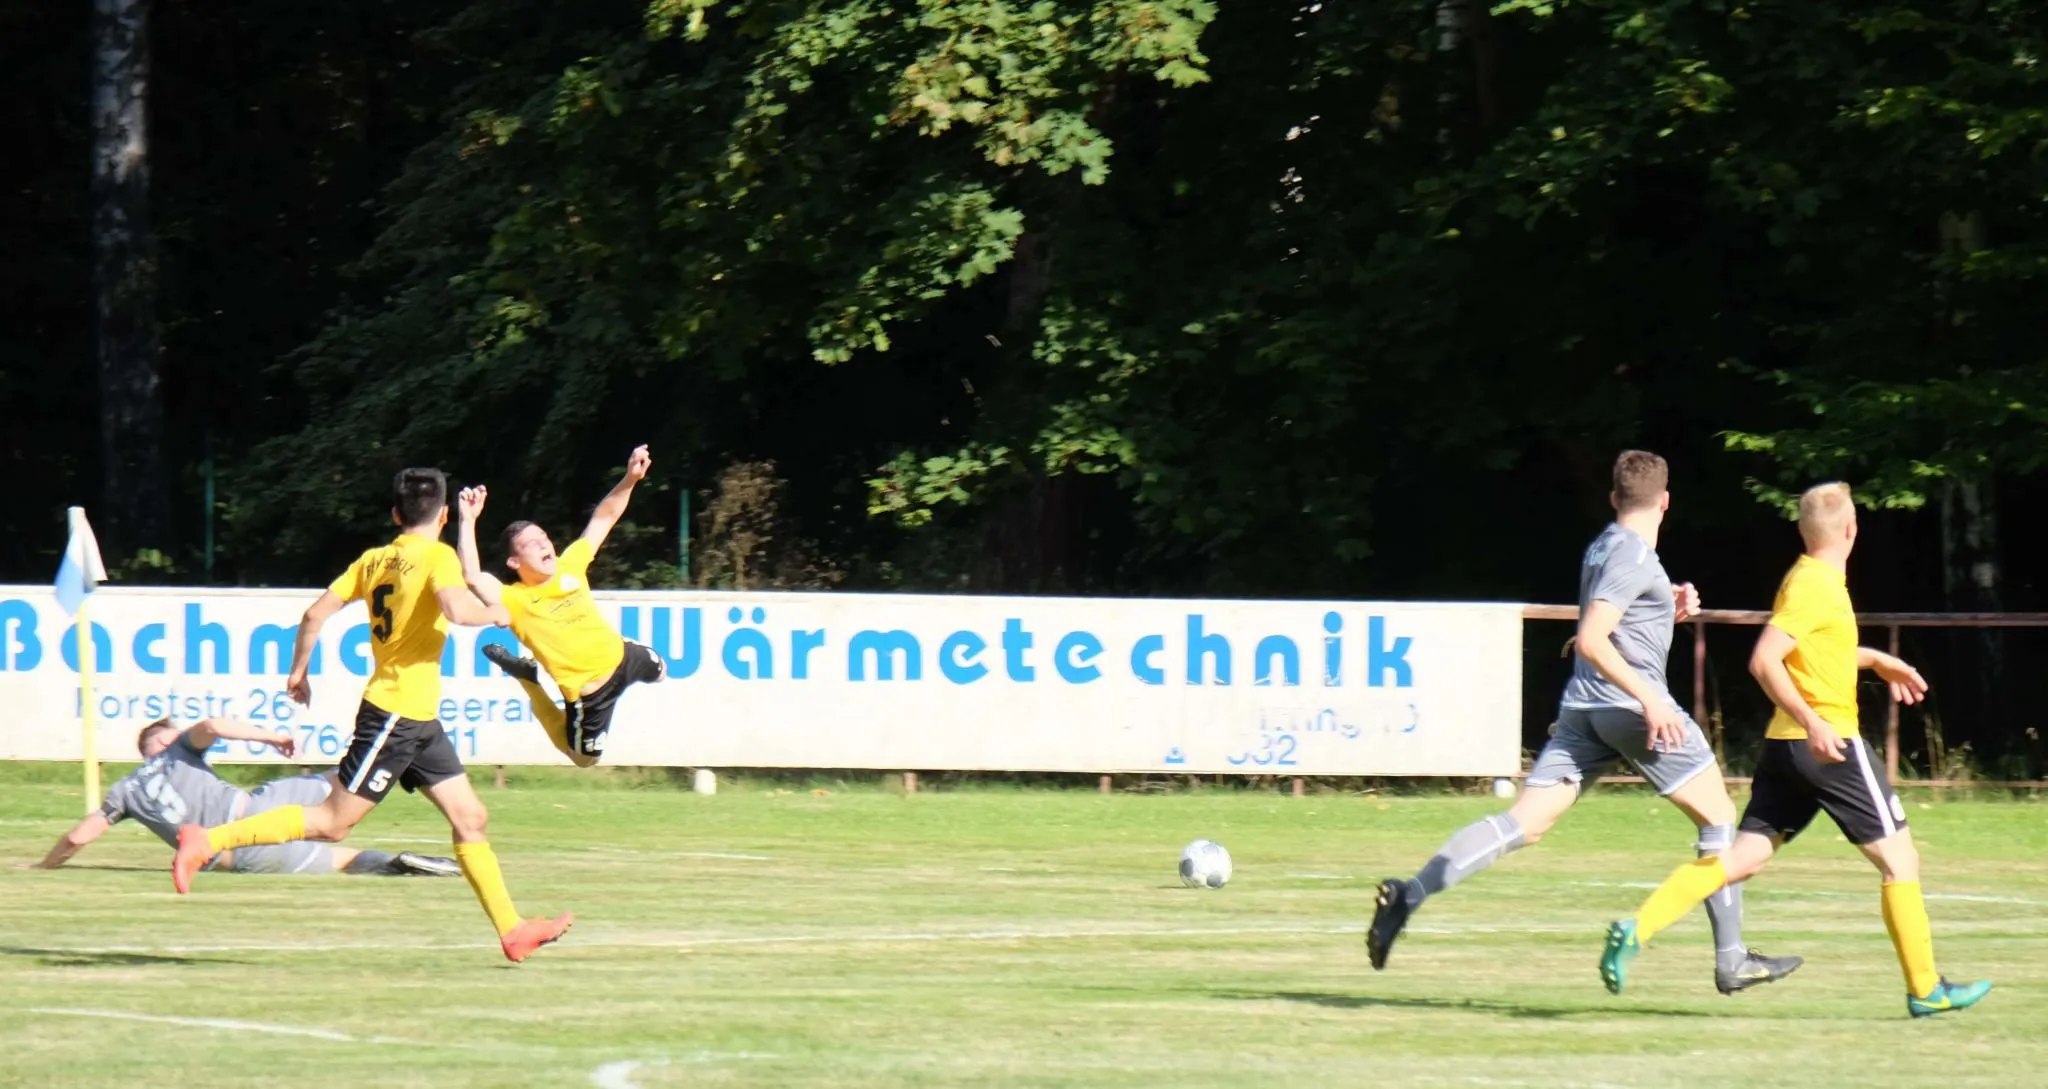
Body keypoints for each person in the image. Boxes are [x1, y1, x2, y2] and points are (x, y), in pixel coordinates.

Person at [1367, 450, 1801, 994]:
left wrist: (1666, 604)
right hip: (1630, 709)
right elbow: (1594, 639)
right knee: (1719, 819)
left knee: (1523, 824)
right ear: (1666, 501)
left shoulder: (1606, 545)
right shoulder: (1634, 556)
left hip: (1584, 711)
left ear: (1615, 497)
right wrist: (1651, 700)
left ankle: (1409, 894)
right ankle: (1731, 960)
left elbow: (1617, 616)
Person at [1599, 482, 1991, 1017]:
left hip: (1788, 748)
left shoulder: (1806, 578)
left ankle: (1636, 928)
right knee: (1901, 860)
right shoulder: (1819, 586)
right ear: (1851, 529)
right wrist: (1814, 722)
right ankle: (1926, 991)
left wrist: (1877, 660)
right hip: (1828, 744)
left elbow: (1814, 650)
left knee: (1741, 859)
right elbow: (1764, 660)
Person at [171, 467, 573, 963]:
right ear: (443, 517)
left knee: (471, 818)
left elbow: (315, 614)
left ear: (396, 515)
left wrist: (299, 671)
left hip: (417, 719)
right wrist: (502, 613)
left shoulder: (372, 560)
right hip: (395, 715)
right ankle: (208, 840)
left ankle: (512, 930)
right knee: (332, 823)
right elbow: (458, 610)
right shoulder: (437, 557)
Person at [34, 717, 457, 877]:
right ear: (164, 741)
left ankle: (399, 864)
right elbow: (214, 726)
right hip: (256, 809)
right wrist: (271, 737)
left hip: (235, 859)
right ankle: (403, 761)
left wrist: (43, 865)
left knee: (345, 861)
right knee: (341, 782)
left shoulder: (125, 790)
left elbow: (77, 837)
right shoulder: (178, 748)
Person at [454, 445, 665, 767]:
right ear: (514, 561)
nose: (543, 543)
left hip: (624, 657)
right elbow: (471, 575)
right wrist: (467, 520)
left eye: (543, 537)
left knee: (662, 672)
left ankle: (627, 648)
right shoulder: (514, 599)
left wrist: (630, 478)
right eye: (530, 543)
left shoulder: (571, 565)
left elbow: (605, 516)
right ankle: (528, 680)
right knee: (583, 760)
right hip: (590, 694)